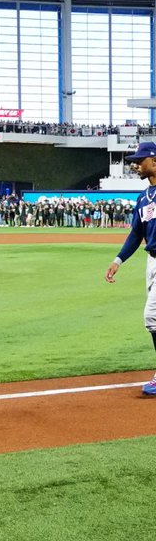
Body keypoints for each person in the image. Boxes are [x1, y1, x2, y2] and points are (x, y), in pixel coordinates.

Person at [105, 140, 156, 396]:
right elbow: (137, 233)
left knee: (152, 317)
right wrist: (118, 260)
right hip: (152, 262)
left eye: (139, 160)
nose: (135, 165)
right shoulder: (143, 197)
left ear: (155, 160)